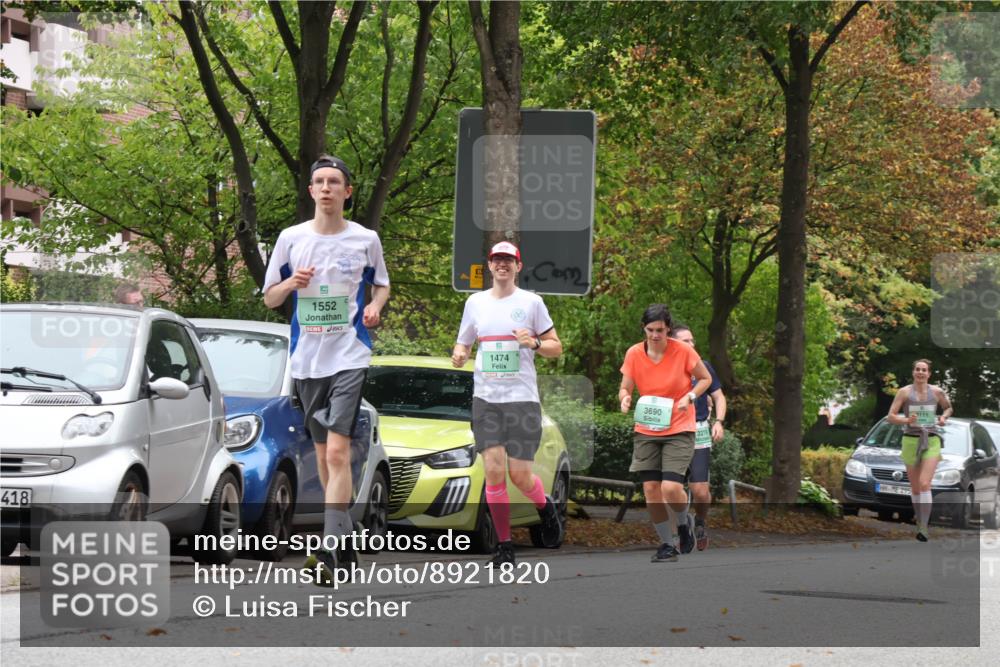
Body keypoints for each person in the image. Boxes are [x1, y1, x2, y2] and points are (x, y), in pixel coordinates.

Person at [262, 155, 389, 578]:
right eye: (320, 181)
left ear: (347, 192)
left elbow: (383, 283)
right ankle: (346, 535)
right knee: (324, 457)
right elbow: (269, 299)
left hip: (350, 354)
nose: (327, 188)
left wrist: (374, 304)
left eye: (335, 181)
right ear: (311, 191)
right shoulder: (291, 238)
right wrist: (290, 284)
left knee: (337, 450)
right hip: (307, 360)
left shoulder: (365, 238)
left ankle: (330, 550)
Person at [452, 241, 564, 566]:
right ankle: (504, 545)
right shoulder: (475, 303)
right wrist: (460, 354)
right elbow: (463, 342)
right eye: (497, 260)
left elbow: (556, 347)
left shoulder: (532, 302)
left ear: (518, 266)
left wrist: (536, 342)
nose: (502, 265)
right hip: (486, 399)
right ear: (489, 265)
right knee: (494, 471)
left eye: (508, 260)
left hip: (522, 400)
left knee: (520, 477)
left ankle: (546, 506)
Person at [620, 305, 712, 563]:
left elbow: (704, 379)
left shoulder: (683, 351)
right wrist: (625, 398)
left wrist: (690, 396)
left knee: (671, 488)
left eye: (660, 330)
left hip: (679, 427)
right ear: (644, 329)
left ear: (668, 328)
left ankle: (683, 525)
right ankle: (666, 544)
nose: (655, 335)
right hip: (647, 427)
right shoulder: (634, 353)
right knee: (651, 489)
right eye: (650, 330)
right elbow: (625, 387)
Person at [669, 324, 727, 551]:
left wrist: (719, 422)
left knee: (700, 490)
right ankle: (676, 535)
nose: (692, 345)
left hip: (699, 430)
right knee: (671, 488)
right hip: (672, 432)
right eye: (686, 342)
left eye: (693, 341)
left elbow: (719, 397)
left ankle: (701, 521)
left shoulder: (703, 367)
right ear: (673, 344)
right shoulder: (664, 367)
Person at [886, 359, 952, 541]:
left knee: (924, 483)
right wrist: (906, 420)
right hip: (910, 440)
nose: (921, 372)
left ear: (929, 374)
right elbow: (890, 416)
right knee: (915, 488)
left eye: (924, 370)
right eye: (917, 369)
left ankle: (923, 527)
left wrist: (943, 418)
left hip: (931, 440)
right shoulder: (904, 392)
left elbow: (948, 408)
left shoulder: (937, 392)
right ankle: (920, 521)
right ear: (913, 372)